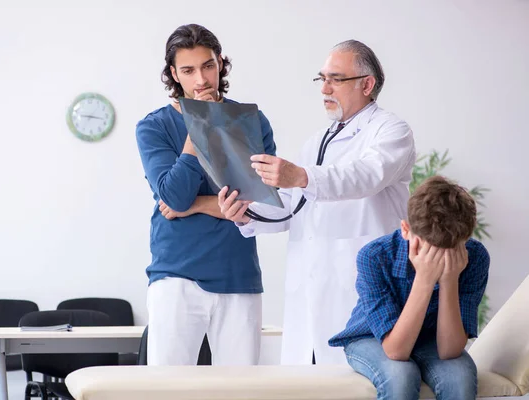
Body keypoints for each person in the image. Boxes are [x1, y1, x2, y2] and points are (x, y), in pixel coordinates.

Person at [218, 39, 416, 364]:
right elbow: (292, 209)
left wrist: (300, 177)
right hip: (308, 299)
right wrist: (246, 213)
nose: (325, 88)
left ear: (367, 84)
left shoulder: (391, 131)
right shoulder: (316, 142)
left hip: (360, 291)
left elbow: (364, 176)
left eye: (336, 79)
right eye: (322, 78)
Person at [135, 23, 277, 365]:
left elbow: (262, 200)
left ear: (220, 64)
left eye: (208, 66)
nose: (201, 79)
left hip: (237, 273)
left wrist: (192, 206)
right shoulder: (153, 127)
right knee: (168, 389)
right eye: (188, 70)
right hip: (176, 275)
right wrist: (200, 126)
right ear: (174, 74)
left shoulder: (253, 122)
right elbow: (175, 195)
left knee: (241, 389)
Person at [329, 176, 490, 400]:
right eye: (431, 250)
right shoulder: (374, 256)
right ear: (406, 229)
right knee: (400, 376)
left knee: (459, 378)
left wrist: (449, 279)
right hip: (371, 338)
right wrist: (424, 278)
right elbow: (396, 351)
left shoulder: (475, 257)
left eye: (450, 252)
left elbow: (449, 351)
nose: (440, 259)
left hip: (431, 339)